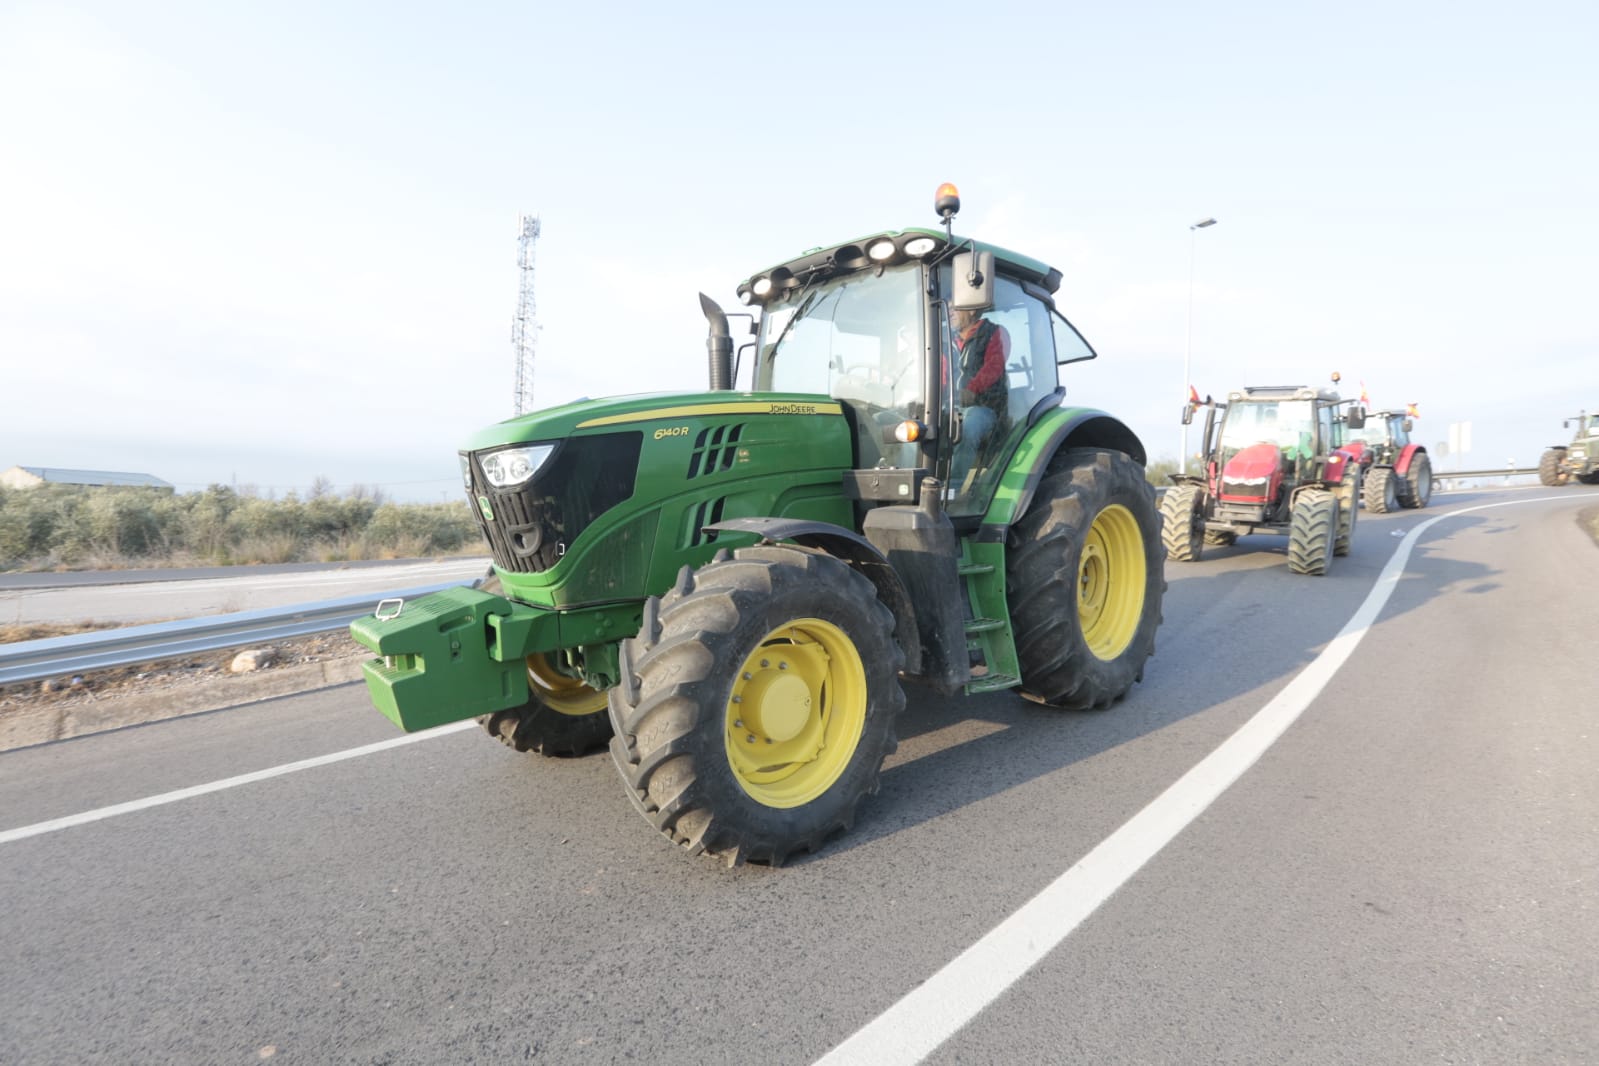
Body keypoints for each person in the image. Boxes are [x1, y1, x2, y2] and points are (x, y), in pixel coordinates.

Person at [948, 306, 1010, 492]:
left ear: (972, 309)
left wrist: (971, 390)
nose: (949, 313)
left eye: (954, 308)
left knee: (969, 426)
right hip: (951, 407)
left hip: (985, 408)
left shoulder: (993, 333)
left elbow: (994, 366)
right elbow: (941, 373)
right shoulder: (946, 341)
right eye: (947, 308)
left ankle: (952, 491)